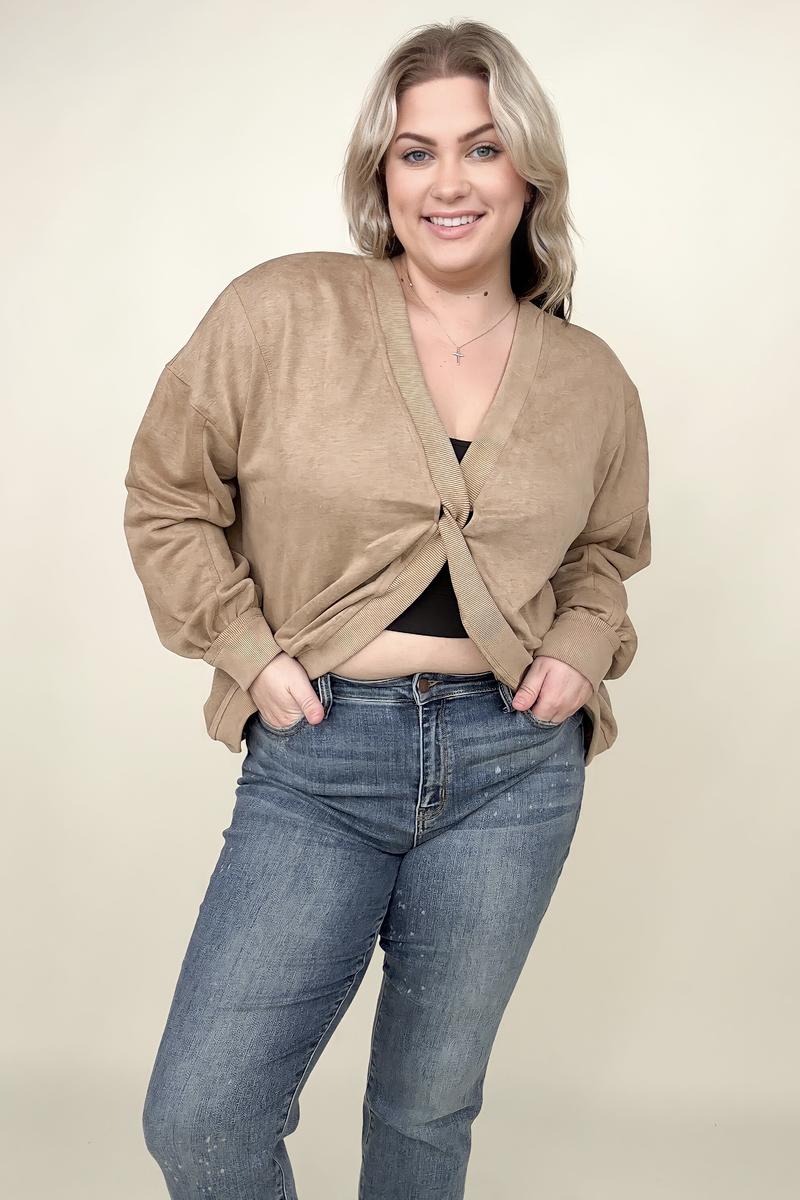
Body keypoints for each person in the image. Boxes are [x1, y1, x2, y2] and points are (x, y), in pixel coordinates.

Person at [124, 18, 651, 1200]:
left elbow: (605, 553)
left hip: (514, 771)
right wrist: (247, 651)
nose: (448, 182)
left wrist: (578, 647)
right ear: (381, 175)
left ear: (528, 172)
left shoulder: (589, 379)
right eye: (417, 152)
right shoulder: (282, 313)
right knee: (201, 1116)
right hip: (318, 758)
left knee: (424, 1117)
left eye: (481, 147)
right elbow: (168, 498)